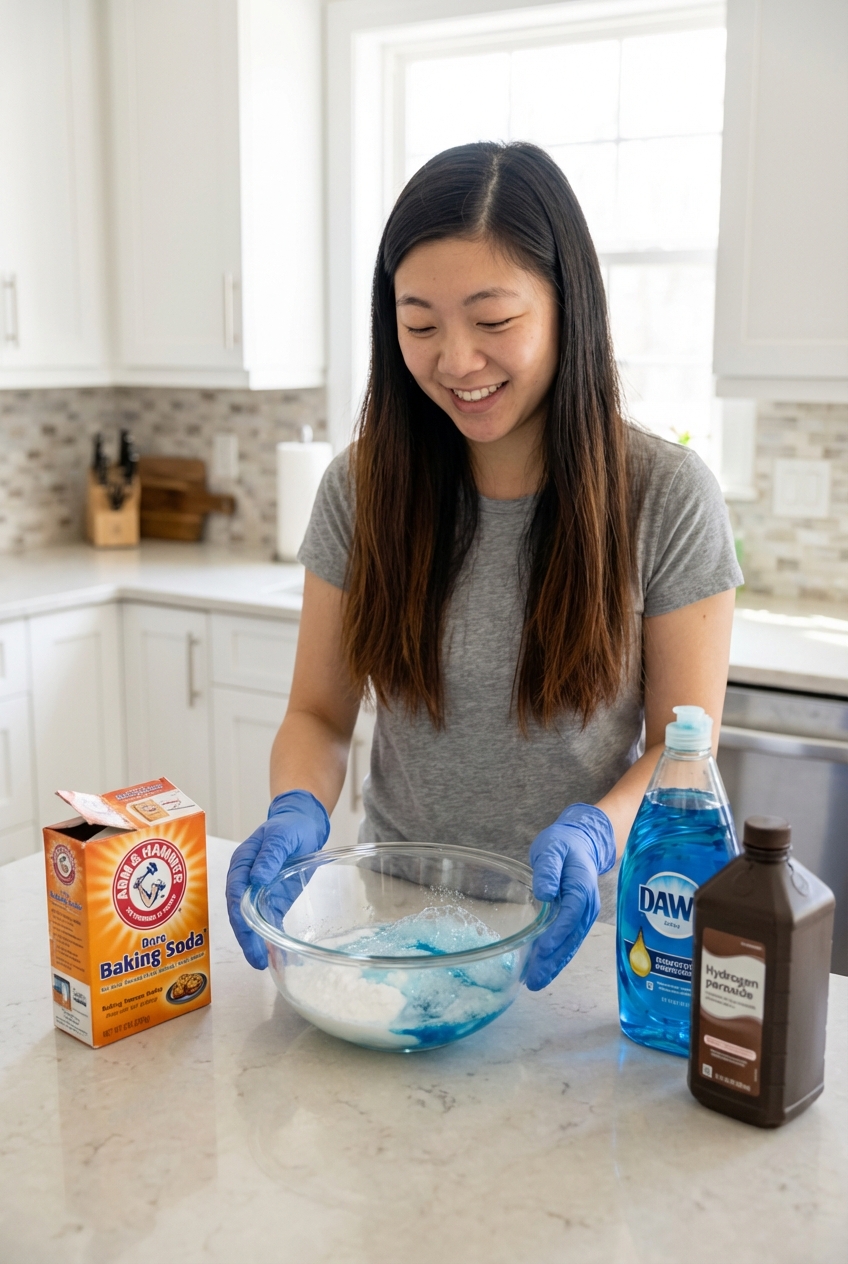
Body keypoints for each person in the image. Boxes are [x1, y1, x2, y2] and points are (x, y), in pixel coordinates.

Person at [227, 141, 742, 990]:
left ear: (566, 305)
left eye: (493, 321)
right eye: (419, 324)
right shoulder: (362, 489)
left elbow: (683, 745)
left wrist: (593, 831)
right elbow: (319, 715)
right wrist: (297, 811)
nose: (455, 361)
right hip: (387, 924)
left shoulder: (666, 495)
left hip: (574, 940)